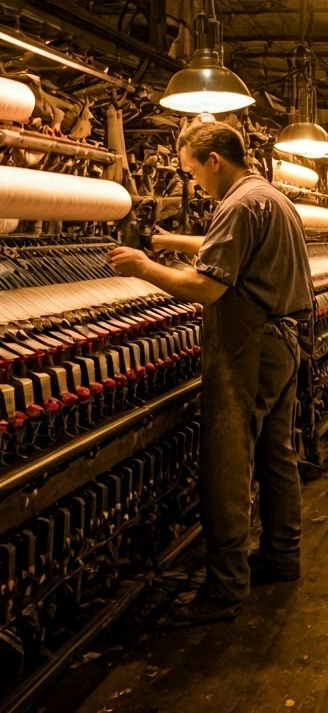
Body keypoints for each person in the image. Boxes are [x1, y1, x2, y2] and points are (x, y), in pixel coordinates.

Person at [109, 121, 313, 625]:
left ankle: (225, 587)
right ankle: (282, 556)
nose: (193, 182)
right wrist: (163, 240)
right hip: (285, 343)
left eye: (192, 171)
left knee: (227, 459)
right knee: (276, 455)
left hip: (250, 348)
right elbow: (223, 247)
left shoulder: (238, 205)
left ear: (214, 160)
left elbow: (207, 288)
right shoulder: (269, 197)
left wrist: (141, 266)